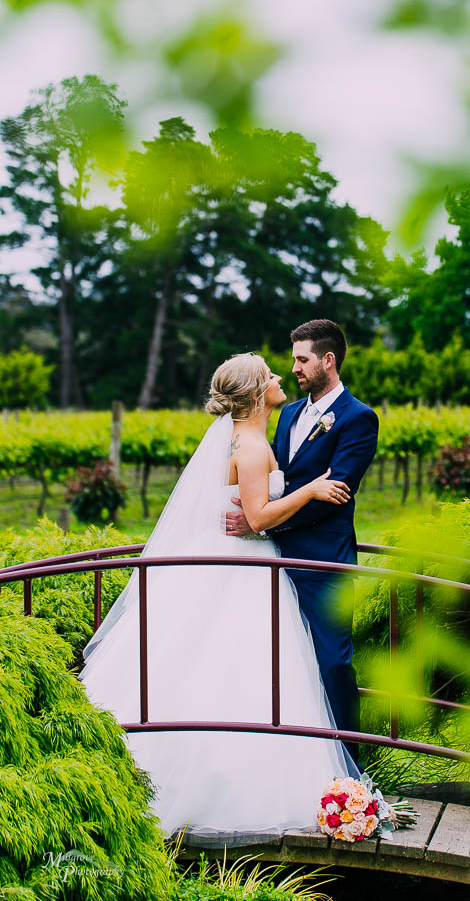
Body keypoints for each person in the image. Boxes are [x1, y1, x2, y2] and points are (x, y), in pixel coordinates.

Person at [79, 353, 357, 843]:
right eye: (269, 373)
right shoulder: (249, 446)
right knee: (242, 667)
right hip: (244, 570)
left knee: (229, 667)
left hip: (244, 563)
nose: (278, 378)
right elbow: (260, 515)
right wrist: (311, 489)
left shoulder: (246, 438)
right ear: (255, 393)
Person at [226, 319, 379, 762]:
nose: (293, 367)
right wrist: (257, 513)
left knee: (332, 662)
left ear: (328, 361)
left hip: (322, 563)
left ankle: (351, 766)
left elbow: (336, 493)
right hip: (270, 562)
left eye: (302, 359)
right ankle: (288, 762)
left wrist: (262, 522)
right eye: (293, 359)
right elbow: (278, 482)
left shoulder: (358, 418)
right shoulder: (288, 414)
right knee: (279, 664)